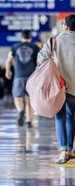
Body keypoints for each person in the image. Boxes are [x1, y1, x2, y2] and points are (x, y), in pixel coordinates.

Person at [37, 15, 75, 164]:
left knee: (60, 117)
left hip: (59, 87)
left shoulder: (55, 41)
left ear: (65, 26)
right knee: (71, 118)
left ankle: (63, 151)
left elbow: (41, 59)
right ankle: (70, 150)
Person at [5, 30, 40, 128]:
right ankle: (29, 122)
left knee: (17, 98)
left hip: (18, 77)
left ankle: (20, 111)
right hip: (31, 78)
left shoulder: (15, 47)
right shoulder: (35, 47)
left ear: (21, 37)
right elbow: (40, 62)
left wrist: (8, 71)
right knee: (30, 101)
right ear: (30, 37)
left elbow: (8, 61)